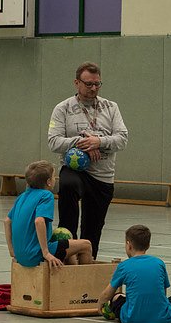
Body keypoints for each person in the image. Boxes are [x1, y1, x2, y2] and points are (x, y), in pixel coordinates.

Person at [47, 62, 128, 258]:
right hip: (75, 170)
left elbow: (122, 139)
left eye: (97, 84)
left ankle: (87, 265)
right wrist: (82, 142)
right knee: (68, 186)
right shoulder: (63, 108)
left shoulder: (111, 107)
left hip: (102, 175)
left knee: (93, 229)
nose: (93, 88)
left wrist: (98, 141)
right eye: (88, 84)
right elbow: (53, 142)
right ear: (77, 83)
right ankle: (67, 253)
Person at [4, 161, 93, 269]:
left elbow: (7, 221)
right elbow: (39, 221)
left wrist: (12, 250)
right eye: (54, 177)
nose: (55, 179)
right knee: (86, 245)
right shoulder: (46, 195)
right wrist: (46, 253)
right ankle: (86, 279)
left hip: (20, 256)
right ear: (49, 182)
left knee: (67, 241)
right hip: (36, 255)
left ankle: (70, 276)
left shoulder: (22, 197)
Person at [97, 225, 171, 323]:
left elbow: (107, 294)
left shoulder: (124, 266)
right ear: (148, 245)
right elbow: (163, 293)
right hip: (162, 319)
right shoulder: (159, 263)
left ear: (129, 245)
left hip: (131, 319)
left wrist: (100, 306)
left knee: (117, 297)